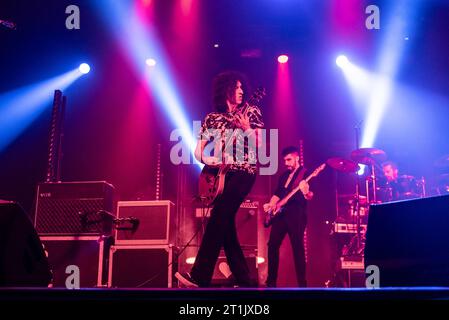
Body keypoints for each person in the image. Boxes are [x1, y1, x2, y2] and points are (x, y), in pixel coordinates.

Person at [175, 71, 264, 288]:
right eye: (237, 86)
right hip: (221, 176)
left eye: (243, 87)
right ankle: (245, 281)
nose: (242, 90)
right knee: (225, 226)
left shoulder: (251, 111)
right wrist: (210, 159)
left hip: (244, 172)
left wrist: (247, 129)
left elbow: (260, 146)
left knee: (219, 216)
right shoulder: (212, 119)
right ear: (226, 89)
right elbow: (198, 152)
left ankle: (200, 275)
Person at [263, 146, 314, 287]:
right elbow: (278, 193)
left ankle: (302, 285)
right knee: (272, 245)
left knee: (297, 247)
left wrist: (305, 191)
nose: (286, 163)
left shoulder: (306, 173)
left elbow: (310, 196)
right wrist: (270, 205)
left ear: (297, 157)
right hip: (280, 215)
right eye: (284, 160)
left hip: (296, 214)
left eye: (289, 159)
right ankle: (271, 282)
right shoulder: (284, 176)